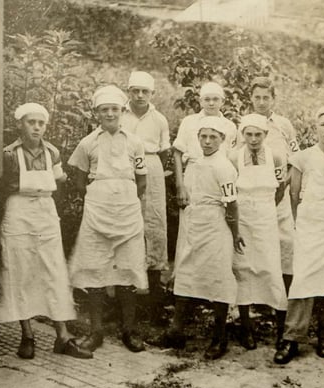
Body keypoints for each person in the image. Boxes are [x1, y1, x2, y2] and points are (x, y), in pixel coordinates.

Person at [0, 103, 92, 360]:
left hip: (45, 213)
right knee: (20, 271)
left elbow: (58, 182)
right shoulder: (8, 154)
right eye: (31, 122)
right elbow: (1, 188)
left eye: (41, 123)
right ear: (20, 124)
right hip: (18, 213)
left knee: (54, 272)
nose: (36, 127)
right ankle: (27, 335)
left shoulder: (52, 152)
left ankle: (63, 337)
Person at [68, 85, 148, 353]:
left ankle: (129, 331)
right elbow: (79, 181)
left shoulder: (135, 142)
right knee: (94, 270)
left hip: (127, 212)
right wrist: (101, 197)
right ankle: (96, 331)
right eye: (105, 110)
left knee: (127, 270)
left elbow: (142, 181)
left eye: (115, 109)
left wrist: (123, 198)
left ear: (123, 111)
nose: (110, 114)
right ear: (96, 113)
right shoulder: (87, 143)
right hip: (97, 212)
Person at [273, 106, 324, 364]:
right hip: (310, 222)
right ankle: (292, 338)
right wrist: (301, 223)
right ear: (316, 129)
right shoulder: (303, 158)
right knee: (304, 278)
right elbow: (294, 195)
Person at [166, 116, 244, 360]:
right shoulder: (195, 163)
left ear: (222, 140)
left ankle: (219, 338)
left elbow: (231, 205)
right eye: (203, 137)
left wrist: (235, 233)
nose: (207, 141)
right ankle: (176, 330)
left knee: (218, 278)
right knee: (186, 272)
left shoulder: (225, 167)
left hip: (215, 226)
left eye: (213, 137)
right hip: (194, 224)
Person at [228, 113, 288, 350]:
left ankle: (283, 332)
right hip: (243, 217)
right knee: (242, 270)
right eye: (249, 134)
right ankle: (246, 329)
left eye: (258, 134)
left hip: (266, 217)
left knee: (271, 269)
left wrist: (265, 209)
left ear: (266, 135)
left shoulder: (275, 156)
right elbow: (230, 192)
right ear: (242, 135)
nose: (253, 139)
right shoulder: (234, 157)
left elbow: (280, 188)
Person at [121, 71, 171, 323]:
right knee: (126, 227)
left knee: (154, 226)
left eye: (145, 91)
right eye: (135, 90)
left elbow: (163, 153)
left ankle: (154, 301)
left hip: (151, 170)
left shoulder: (160, 119)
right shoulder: (118, 115)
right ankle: (123, 300)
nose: (139, 96)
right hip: (123, 169)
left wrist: (150, 170)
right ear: (128, 91)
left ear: (152, 94)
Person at [248, 77, 297, 297]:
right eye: (257, 97)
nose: (261, 102)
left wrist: (283, 185)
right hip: (253, 196)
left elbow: (295, 160)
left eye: (265, 98)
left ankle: (284, 299)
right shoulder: (245, 123)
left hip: (280, 192)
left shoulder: (283, 125)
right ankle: (258, 298)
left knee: (286, 242)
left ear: (273, 99)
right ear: (251, 98)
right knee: (256, 244)